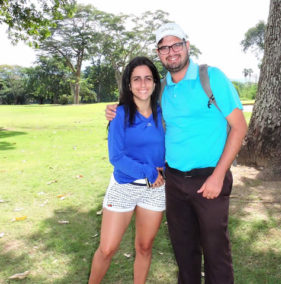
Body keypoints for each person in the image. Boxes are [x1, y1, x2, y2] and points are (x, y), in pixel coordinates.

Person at [106, 23, 248, 284]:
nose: (171, 52)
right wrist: (116, 110)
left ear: (187, 46)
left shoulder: (211, 77)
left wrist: (219, 175)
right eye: (164, 47)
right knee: (184, 254)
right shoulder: (162, 90)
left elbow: (239, 127)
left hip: (209, 178)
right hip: (174, 181)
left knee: (216, 253)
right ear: (159, 53)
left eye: (176, 45)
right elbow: (139, 110)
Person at [89, 56, 166, 284]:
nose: (143, 84)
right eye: (137, 79)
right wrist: (151, 172)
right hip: (124, 186)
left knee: (144, 247)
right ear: (129, 84)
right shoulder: (120, 114)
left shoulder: (163, 113)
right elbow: (117, 157)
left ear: (155, 83)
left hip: (155, 190)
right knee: (107, 249)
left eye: (148, 79)